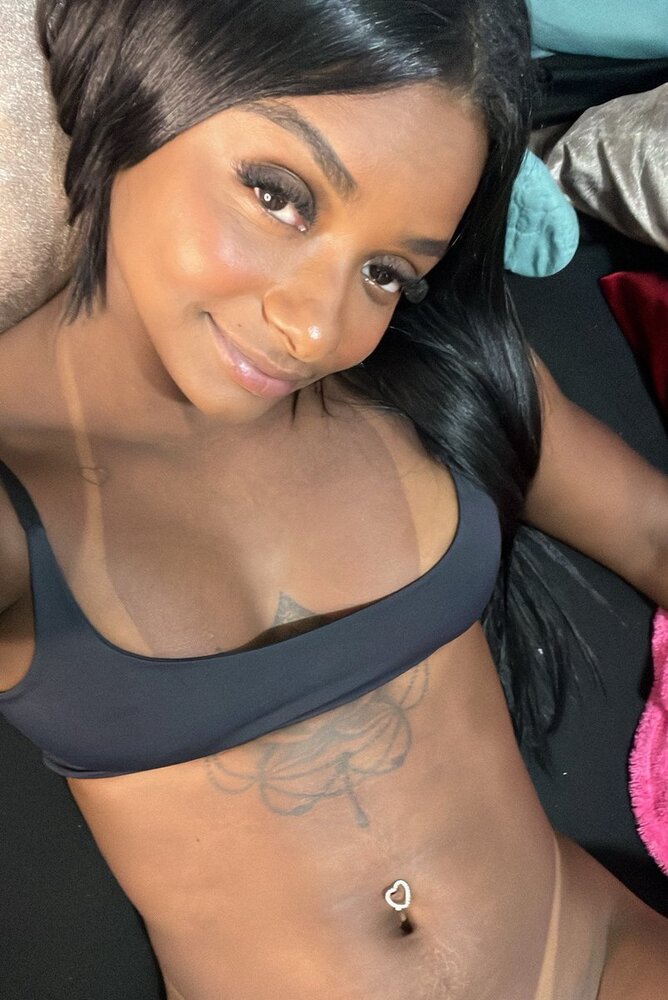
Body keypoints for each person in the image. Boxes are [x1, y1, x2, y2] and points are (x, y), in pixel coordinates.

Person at [0, 0, 666, 997]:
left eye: (388, 272)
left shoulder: (429, 370)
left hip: (600, 958)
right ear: (150, 72)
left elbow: (653, 530)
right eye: (279, 196)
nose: (316, 330)